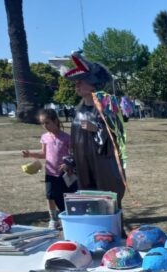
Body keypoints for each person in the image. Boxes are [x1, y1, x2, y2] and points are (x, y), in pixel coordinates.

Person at [63, 52, 126, 208]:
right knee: (88, 199)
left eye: (81, 81)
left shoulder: (106, 108)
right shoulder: (79, 110)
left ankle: (113, 229)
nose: (77, 85)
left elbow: (117, 135)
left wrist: (97, 129)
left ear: (93, 83)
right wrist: (70, 160)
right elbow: (74, 139)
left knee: (106, 198)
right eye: (76, 82)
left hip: (102, 164)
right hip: (83, 165)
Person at [21, 109, 78, 229]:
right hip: (50, 173)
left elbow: (74, 155)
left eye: (47, 122)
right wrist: (30, 154)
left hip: (65, 174)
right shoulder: (45, 137)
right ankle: (53, 219)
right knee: (50, 196)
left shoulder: (66, 138)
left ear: (55, 121)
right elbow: (44, 154)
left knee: (65, 198)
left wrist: (68, 164)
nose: (45, 126)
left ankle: (66, 218)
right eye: (42, 123)